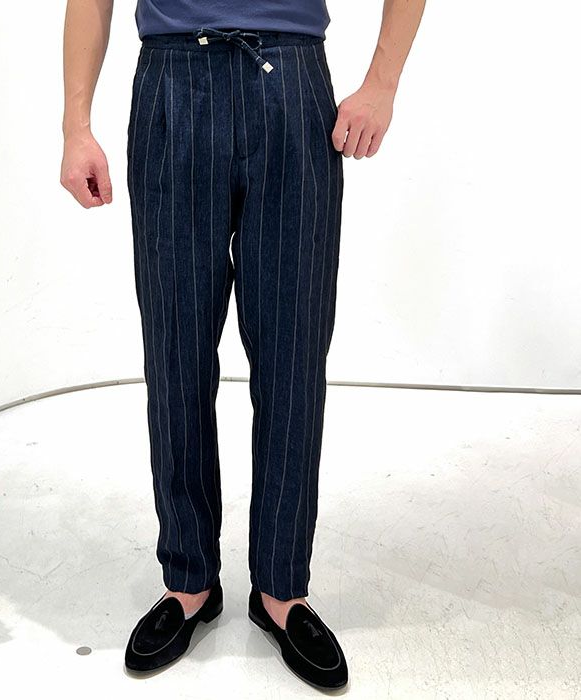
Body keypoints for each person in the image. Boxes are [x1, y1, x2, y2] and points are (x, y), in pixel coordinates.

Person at [60, 0, 425, 689]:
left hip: (291, 83)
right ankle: (189, 580)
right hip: (172, 82)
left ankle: (282, 589)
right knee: (176, 352)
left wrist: (382, 83)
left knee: (292, 353)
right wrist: (76, 126)